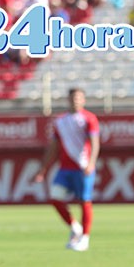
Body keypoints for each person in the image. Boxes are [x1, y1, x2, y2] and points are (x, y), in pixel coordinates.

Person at [34, 88, 100, 252]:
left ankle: (85, 238)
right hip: (64, 168)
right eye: (73, 98)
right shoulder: (60, 121)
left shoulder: (89, 118)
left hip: (82, 166)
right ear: (68, 100)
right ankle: (75, 226)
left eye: (79, 98)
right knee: (55, 198)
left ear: (83, 100)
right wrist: (43, 169)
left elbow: (95, 142)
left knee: (84, 200)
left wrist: (91, 163)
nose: (76, 101)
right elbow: (54, 147)